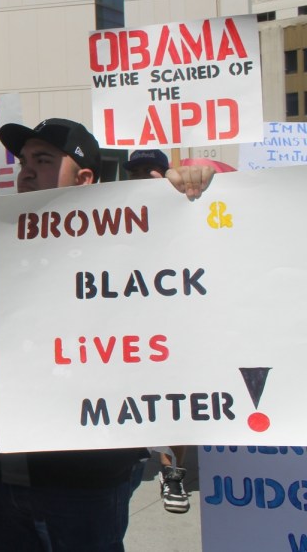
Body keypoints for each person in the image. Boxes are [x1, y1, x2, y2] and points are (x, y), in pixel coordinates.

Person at [0, 118, 214, 551]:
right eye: (23, 160)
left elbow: (197, 283)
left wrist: (186, 194)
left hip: (88, 482)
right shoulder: (1, 242)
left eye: (43, 160)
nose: (26, 170)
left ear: (84, 179)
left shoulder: (128, 246)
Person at [122, 149, 191, 513]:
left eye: (152, 172)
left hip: (173, 327)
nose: (142, 179)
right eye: (135, 172)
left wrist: (192, 187)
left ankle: (172, 471)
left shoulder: (185, 205)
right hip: (126, 331)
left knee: (175, 403)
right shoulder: (110, 212)